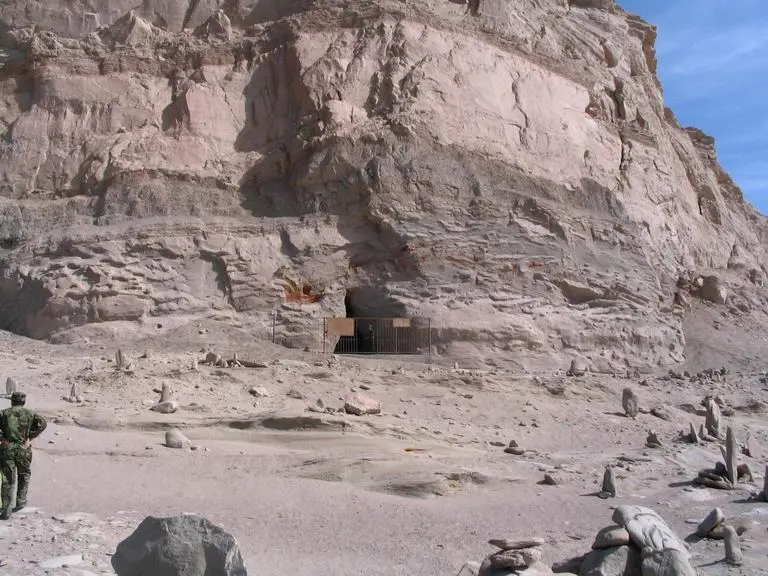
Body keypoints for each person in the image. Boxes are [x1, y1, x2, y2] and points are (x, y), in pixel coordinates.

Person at [0, 392, 47, 520]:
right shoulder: (30, 413)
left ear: (12, 401)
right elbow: (43, 423)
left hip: (7, 448)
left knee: (8, 478)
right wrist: (30, 437)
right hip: (23, 447)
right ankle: (21, 501)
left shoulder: (4, 413)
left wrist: (2, 438)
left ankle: (6, 509)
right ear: (23, 402)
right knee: (24, 474)